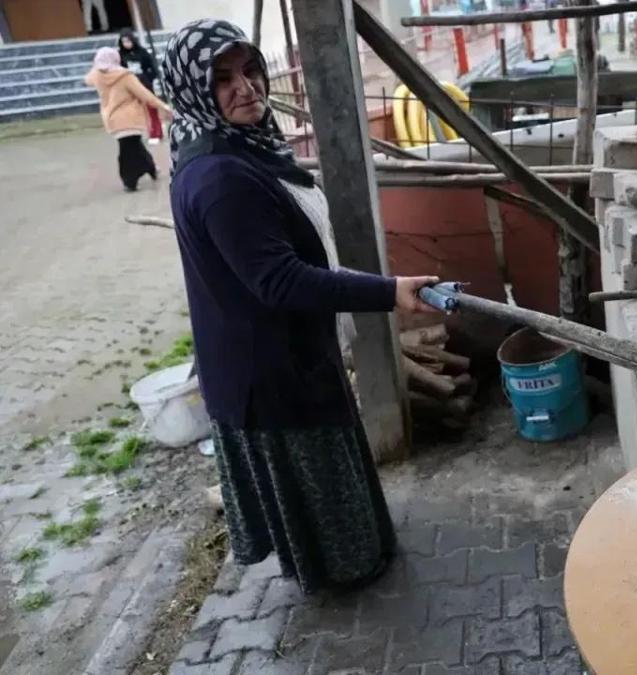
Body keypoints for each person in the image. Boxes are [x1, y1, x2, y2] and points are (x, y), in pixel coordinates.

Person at [160, 19, 440, 594]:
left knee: (328, 472)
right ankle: (346, 577)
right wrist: (388, 293)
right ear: (193, 89)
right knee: (319, 481)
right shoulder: (219, 176)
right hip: (271, 367)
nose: (247, 88)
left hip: (282, 351)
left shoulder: (238, 146)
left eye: (251, 69)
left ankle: (350, 560)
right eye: (222, 79)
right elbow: (281, 281)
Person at [84, 47, 173, 192]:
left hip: (112, 118)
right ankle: (130, 179)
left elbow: (87, 80)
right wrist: (163, 106)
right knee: (128, 150)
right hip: (130, 118)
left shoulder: (97, 75)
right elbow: (145, 95)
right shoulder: (125, 76)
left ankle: (151, 168)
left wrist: (98, 66)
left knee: (133, 146)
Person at [117, 29, 163, 144]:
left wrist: (149, 78)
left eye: (128, 41)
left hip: (145, 83)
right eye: (124, 42)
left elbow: (152, 66)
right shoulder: (120, 55)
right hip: (130, 86)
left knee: (151, 108)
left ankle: (156, 132)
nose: (126, 44)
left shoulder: (142, 52)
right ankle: (140, 133)